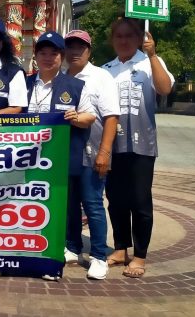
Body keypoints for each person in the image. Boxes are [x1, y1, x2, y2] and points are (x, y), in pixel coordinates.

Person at [101, 18, 174, 279]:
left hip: (142, 144)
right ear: (112, 40)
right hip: (112, 145)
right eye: (118, 36)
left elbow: (165, 89)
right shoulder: (105, 70)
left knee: (140, 201)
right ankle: (121, 248)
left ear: (139, 38)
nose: (123, 41)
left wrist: (152, 55)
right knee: (116, 200)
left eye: (129, 36)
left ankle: (140, 255)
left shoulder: (149, 62)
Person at [24, 31, 95, 281]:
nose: (47, 57)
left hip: (61, 156)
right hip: (26, 158)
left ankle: (69, 245)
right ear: (35, 56)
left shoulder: (75, 86)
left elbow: (89, 116)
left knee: (65, 203)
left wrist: (76, 118)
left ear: (61, 57)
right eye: (42, 53)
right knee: (29, 201)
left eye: (53, 53)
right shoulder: (24, 83)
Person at [64, 29, 121, 280]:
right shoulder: (61, 76)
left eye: (81, 47)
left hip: (92, 152)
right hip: (66, 152)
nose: (75, 51)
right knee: (70, 204)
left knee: (93, 204)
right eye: (70, 47)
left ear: (89, 50)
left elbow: (111, 117)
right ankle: (73, 247)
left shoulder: (101, 76)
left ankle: (98, 256)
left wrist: (104, 153)